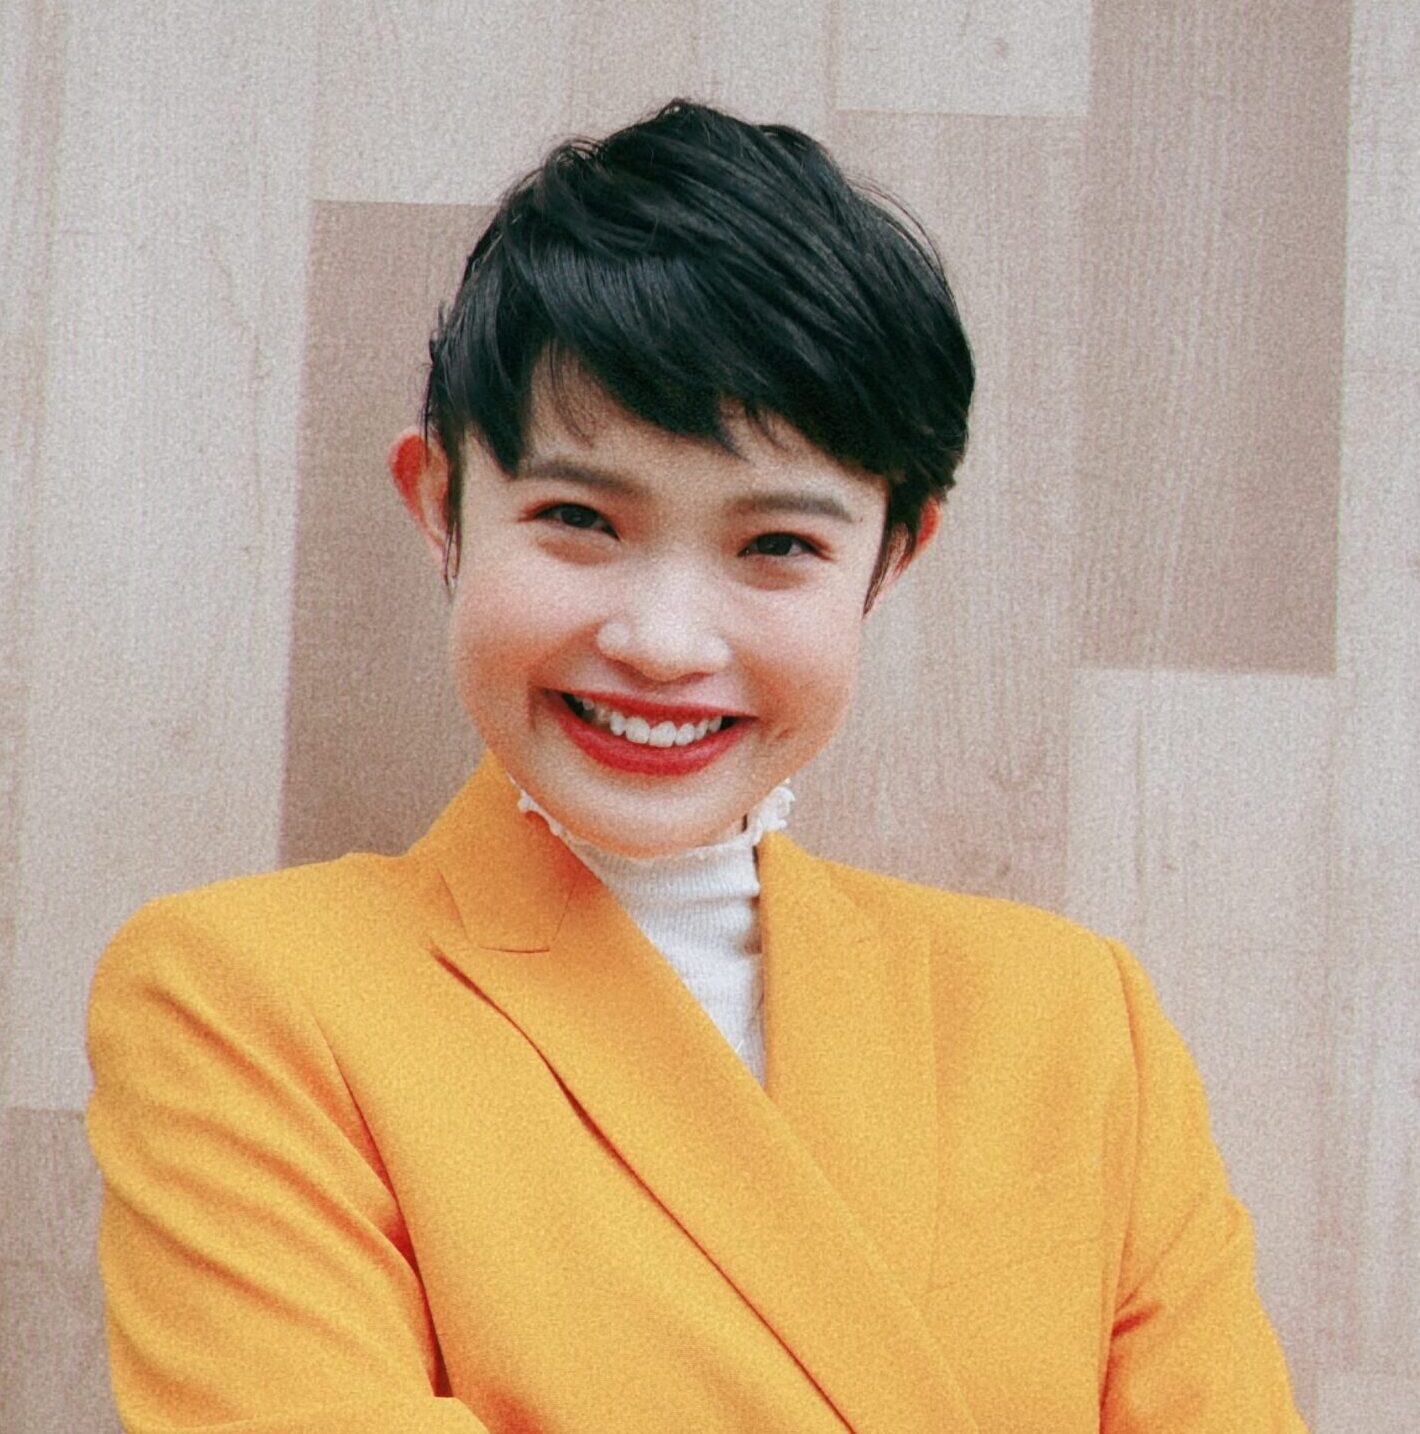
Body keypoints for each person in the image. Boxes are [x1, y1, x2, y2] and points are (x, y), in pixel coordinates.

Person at [85, 98, 1307, 1432]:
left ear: (893, 555)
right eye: (577, 517)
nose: (663, 643)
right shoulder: (245, 999)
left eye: (777, 545)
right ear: (442, 503)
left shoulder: (1075, 1023)